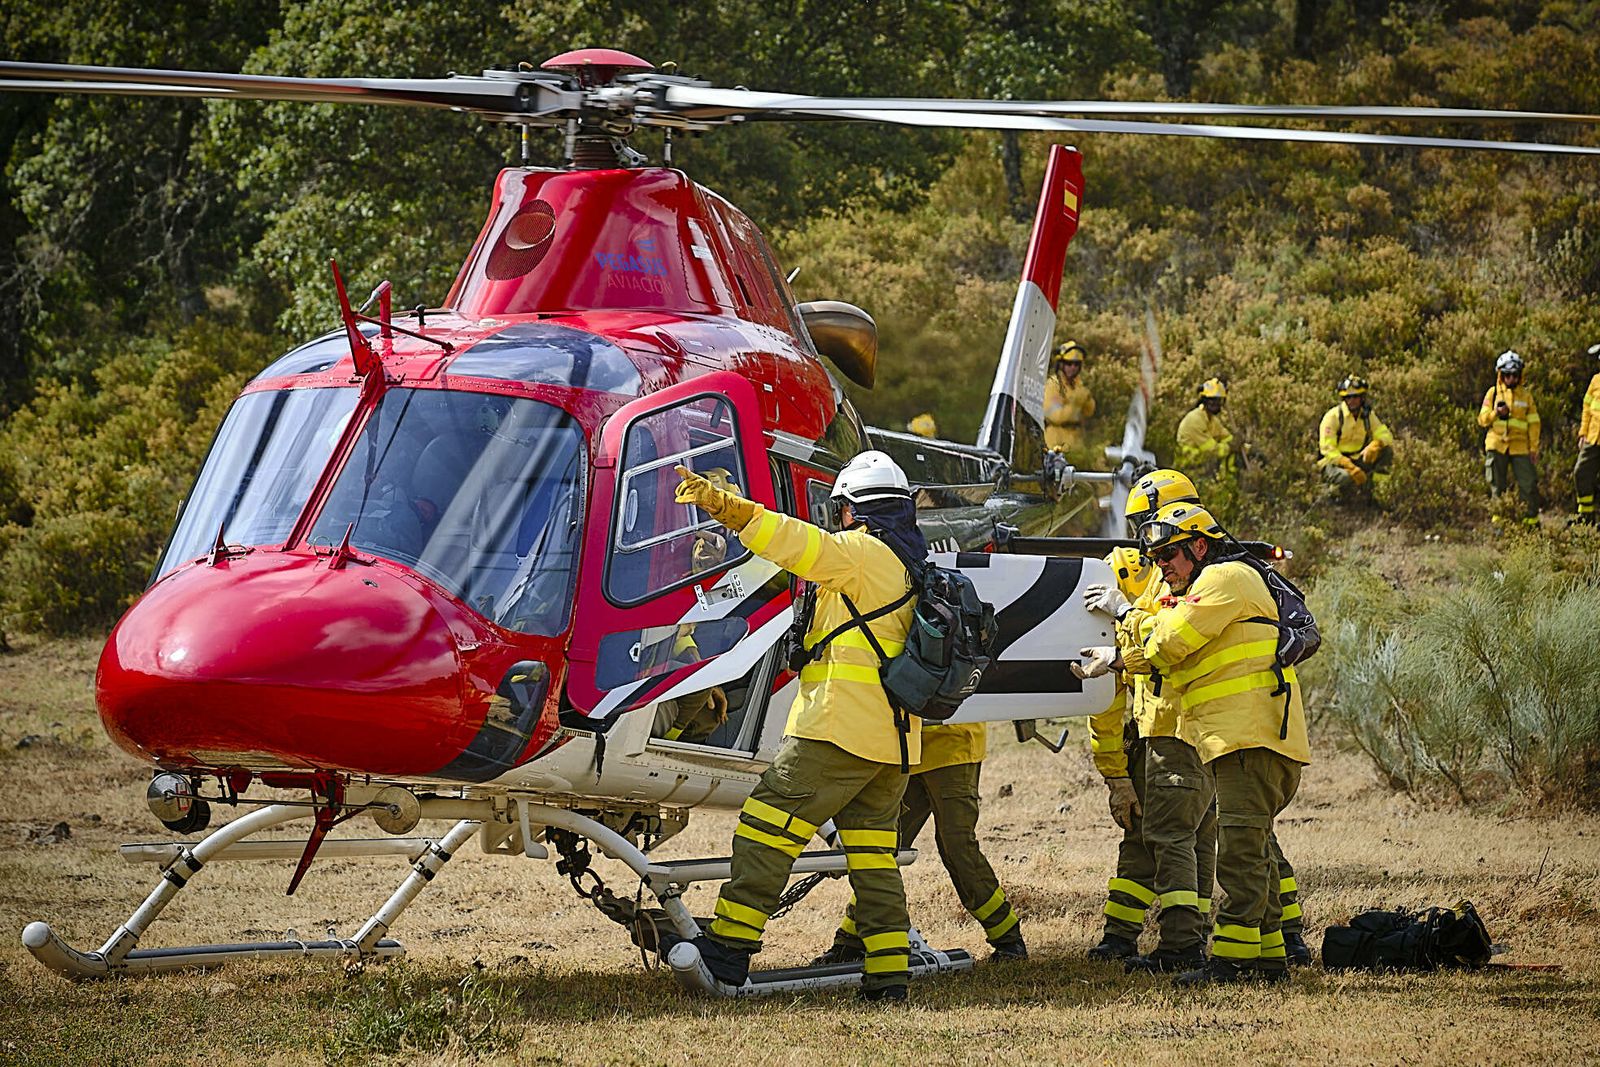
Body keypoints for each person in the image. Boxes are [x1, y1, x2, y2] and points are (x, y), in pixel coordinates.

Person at [675, 450, 925, 1002]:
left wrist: (730, 510)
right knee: (872, 857)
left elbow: (798, 543)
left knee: (767, 823)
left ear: (852, 510)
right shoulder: (908, 563)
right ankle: (889, 976)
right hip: (893, 743)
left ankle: (730, 948)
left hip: (839, 732)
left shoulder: (863, 553)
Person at [1111, 502, 1311, 985]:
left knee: (1240, 856)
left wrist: (1125, 615)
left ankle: (1231, 961)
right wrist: (1121, 659)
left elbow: (1167, 645)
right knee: (1255, 851)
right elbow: (1169, 658)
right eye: (1156, 559)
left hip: (1248, 740)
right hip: (1244, 740)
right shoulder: (1215, 584)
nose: (1164, 567)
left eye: (1172, 555)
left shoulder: (1223, 579)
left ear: (1200, 546)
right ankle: (1267, 961)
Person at [813, 719, 1027, 966]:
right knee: (882, 847)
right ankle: (851, 941)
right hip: (907, 746)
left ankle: (1008, 938)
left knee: (957, 848)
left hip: (952, 743)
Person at [1479, 350, 1541, 527]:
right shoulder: (1493, 394)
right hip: (1496, 445)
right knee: (1496, 486)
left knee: (1528, 485)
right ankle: (1499, 525)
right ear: (1501, 375)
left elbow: (1534, 424)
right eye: (1507, 375)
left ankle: (1531, 525)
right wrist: (1495, 413)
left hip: (1520, 446)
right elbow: (1482, 420)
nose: (1511, 379)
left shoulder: (1526, 396)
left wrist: (1534, 448)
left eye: (1514, 375)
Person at [1317, 375, 1395, 504]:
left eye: (1355, 397)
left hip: (1357, 458)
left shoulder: (1367, 416)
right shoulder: (1333, 417)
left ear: (1362, 398)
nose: (1352, 400)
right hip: (1334, 463)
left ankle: (1376, 491)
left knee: (1386, 452)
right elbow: (1327, 449)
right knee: (1345, 477)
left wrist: (1376, 444)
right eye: (1348, 397)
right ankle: (1336, 496)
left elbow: (1386, 435)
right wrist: (1350, 467)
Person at [1043, 341, 1096, 452]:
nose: (1073, 367)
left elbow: (1088, 413)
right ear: (1061, 364)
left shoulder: (1078, 385)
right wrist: (1074, 402)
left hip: (1076, 441)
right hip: (1056, 442)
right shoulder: (1053, 384)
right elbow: (1055, 416)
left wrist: (1087, 400)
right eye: (1069, 363)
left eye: (1077, 364)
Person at [1175, 378, 1234, 477]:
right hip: (1189, 468)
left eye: (1217, 400)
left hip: (1204, 464)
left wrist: (1245, 447)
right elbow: (1211, 450)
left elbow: (1225, 436)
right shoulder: (1195, 419)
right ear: (1204, 400)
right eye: (1211, 400)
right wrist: (1230, 448)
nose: (1215, 404)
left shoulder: (1212, 420)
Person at [1574, 342, 1600, 525]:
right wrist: (1583, 433)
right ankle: (1586, 517)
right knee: (1581, 473)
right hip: (1593, 438)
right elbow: (1586, 408)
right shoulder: (1596, 381)